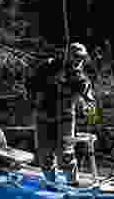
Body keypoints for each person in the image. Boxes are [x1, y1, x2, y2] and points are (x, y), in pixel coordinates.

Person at [28, 42, 96, 186]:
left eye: (82, 58)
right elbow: (31, 85)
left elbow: (90, 102)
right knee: (44, 154)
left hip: (65, 119)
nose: (79, 61)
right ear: (67, 56)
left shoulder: (80, 78)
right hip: (43, 117)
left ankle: (73, 184)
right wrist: (48, 84)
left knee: (65, 154)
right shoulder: (47, 66)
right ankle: (50, 184)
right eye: (76, 57)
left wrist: (92, 119)